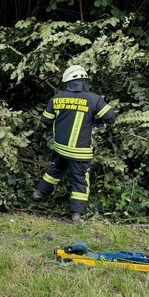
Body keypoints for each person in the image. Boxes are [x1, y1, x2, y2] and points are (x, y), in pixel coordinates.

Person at [33, 65, 116, 223]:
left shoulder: (56, 98)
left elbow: (45, 120)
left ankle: (38, 194)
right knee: (80, 180)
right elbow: (110, 117)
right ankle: (76, 215)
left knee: (55, 170)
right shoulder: (94, 99)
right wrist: (95, 120)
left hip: (60, 148)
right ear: (83, 80)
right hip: (80, 152)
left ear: (67, 82)